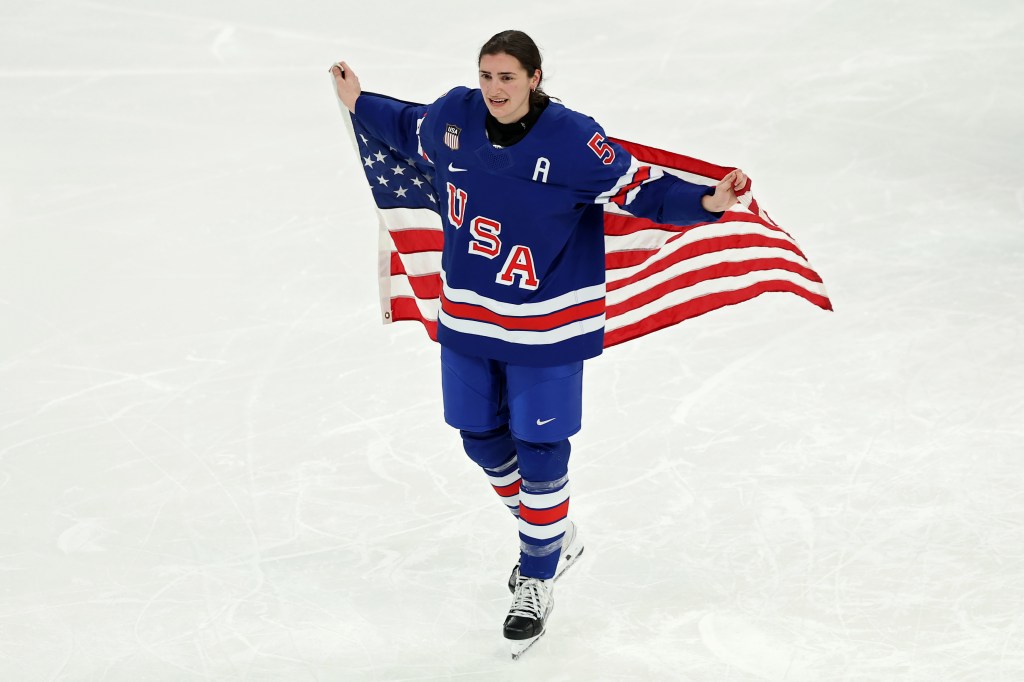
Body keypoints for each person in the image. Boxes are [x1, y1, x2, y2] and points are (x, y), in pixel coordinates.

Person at [330, 29, 746, 659]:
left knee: (542, 446)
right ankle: (550, 531)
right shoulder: (454, 118)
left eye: (506, 77)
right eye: (486, 76)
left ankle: (537, 572)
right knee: (478, 438)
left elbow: (644, 191)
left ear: (534, 77)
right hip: (468, 312)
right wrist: (360, 101)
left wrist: (708, 200)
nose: (494, 89)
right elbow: (407, 125)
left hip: (550, 321)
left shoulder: (576, 140)